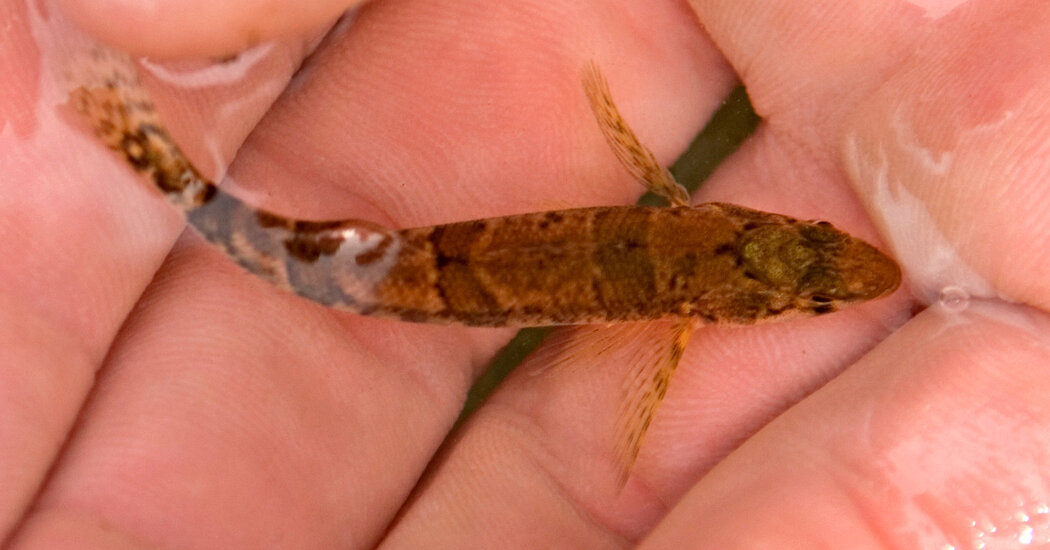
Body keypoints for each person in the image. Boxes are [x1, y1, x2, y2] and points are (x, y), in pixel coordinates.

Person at [3, 0, 1047, 547]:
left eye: (809, 281)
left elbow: (617, 128)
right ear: (705, 301)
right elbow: (637, 406)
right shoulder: (679, 321)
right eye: (814, 280)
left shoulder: (688, 244)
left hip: (411, 263)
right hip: (395, 270)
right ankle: (146, 153)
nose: (830, 279)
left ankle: (145, 152)